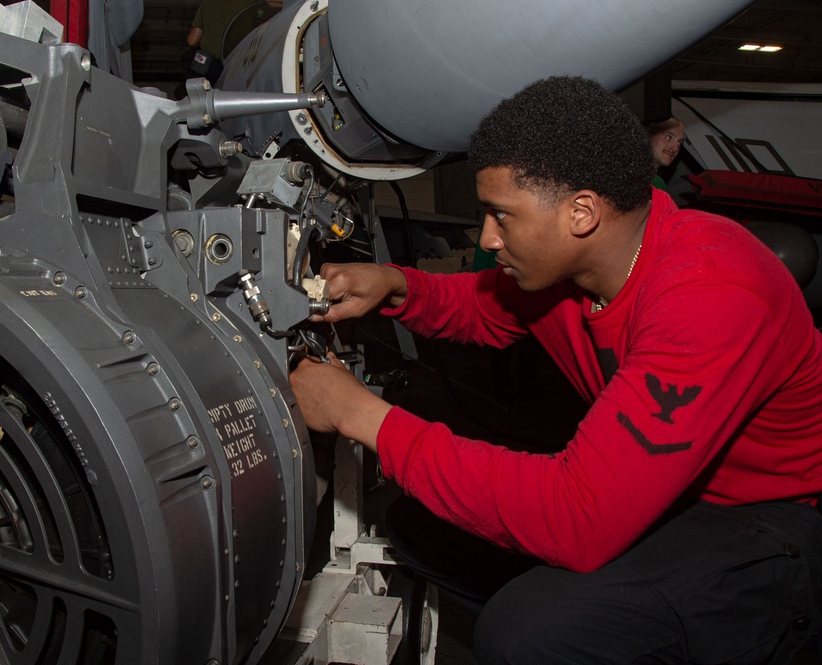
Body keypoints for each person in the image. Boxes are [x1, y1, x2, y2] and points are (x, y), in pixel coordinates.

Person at [289, 75, 822, 663]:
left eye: (501, 216)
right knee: (421, 525)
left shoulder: (710, 293)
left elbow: (578, 517)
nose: (489, 239)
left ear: (581, 213)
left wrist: (359, 415)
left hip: (775, 520)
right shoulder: (575, 270)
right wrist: (396, 285)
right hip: (670, 494)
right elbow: (483, 308)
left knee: (534, 630)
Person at [184, 0, 277, 84]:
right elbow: (280, 5)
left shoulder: (208, 3)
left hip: (208, 69)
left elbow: (192, 41)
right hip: (238, 66)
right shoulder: (251, 2)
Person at [646, 116, 686, 190]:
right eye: (668, 137)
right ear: (649, 135)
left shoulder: (658, 184)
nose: (675, 148)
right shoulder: (625, 170)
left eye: (679, 142)